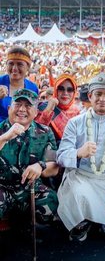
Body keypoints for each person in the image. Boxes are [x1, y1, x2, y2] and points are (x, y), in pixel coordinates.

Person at [56, 72, 105, 242]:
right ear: (90, 96)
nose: (102, 99)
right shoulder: (75, 122)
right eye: (98, 94)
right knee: (77, 198)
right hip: (81, 178)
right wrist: (78, 153)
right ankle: (85, 220)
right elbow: (61, 156)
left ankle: (95, 219)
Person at [0, 89, 59, 229]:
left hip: (30, 187)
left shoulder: (44, 132)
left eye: (28, 106)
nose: (22, 109)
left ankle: (27, 227)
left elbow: (54, 166)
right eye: (18, 104)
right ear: (9, 109)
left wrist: (41, 165)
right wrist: (5, 137)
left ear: (36, 112)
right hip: (2, 187)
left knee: (50, 201)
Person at [36, 73, 80, 143]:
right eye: (61, 89)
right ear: (56, 90)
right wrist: (49, 109)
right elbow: (37, 134)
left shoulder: (77, 112)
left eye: (70, 90)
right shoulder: (43, 107)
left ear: (74, 92)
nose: (65, 93)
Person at [0, 47, 39, 122]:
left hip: (22, 130)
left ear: (28, 67)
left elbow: (33, 114)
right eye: (11, 63)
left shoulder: (33, 88)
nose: (14, 68)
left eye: (20, 64)